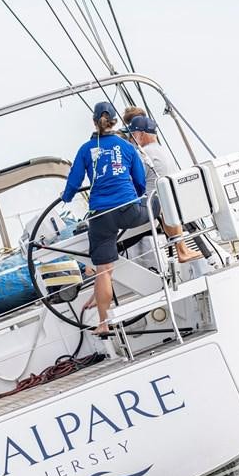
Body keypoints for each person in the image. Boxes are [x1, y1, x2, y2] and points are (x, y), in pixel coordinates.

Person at [62, 101, 148, 334]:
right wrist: (135, 199)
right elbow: (140, 182)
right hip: (129, 210)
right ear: (115, 122)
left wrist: (67, 198)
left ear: (94, 122)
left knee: (103, 271)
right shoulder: (127, 147)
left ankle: (103, 324)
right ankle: (177, 244)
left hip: (101, 216)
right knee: (160, 208)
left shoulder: (85, 149)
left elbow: (73, 183)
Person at [125, 113, 202, 263]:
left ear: (140, 135)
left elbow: (131, 182)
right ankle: (183, 249)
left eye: (132, 134)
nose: (130, 138)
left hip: (152, 207)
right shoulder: (161, 150)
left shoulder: (143, 154)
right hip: (168, 204)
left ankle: (93, 266)